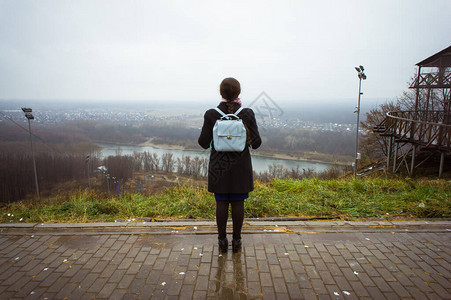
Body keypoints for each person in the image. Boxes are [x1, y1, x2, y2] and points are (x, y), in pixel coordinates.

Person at [198, 77, 262, 253]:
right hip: (240, 166)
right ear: (238, 93)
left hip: (219, 166)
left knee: (221, 202)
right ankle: (237, 240)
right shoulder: (247, 113)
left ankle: (221, 240)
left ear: (221, 93)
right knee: (238, 202)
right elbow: (257, 143)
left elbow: (203, 143)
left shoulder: (211, 114)